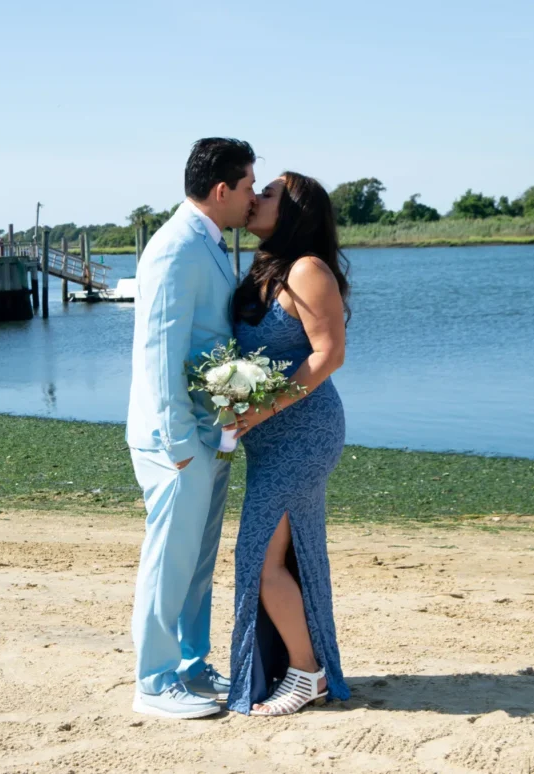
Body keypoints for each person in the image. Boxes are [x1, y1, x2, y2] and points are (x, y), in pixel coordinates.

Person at [126, 138, 257, 719]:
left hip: (211, 435)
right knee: (169, 558)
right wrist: (179, 443)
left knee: (198, 560)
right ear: (222, 189)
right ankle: (153, 683)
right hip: (176, 441)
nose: (253, 196)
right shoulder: (175, 247)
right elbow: (160, 349)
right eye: (249, 185)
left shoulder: (210, 242)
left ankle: (190, 664)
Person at [227, 172, 352, 716]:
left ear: (295, 210)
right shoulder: (265, 268)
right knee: (285, 555)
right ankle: (297, 667)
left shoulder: (307, 270)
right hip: (267, 436)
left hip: (305, 433)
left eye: (269, 193)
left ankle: (305, 674)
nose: (255, 199)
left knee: (258, 558)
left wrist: (258, 409)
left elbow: (328, 354)